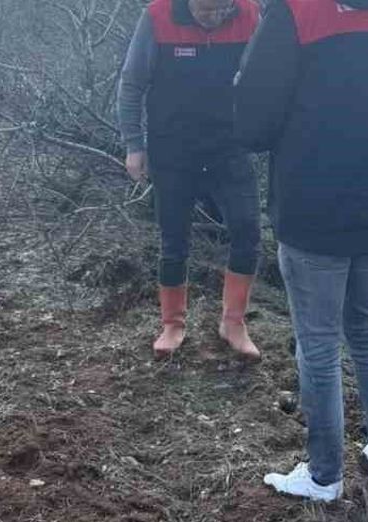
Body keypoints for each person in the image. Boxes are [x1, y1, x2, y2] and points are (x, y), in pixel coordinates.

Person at [234, 0, 368, 501]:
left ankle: (324, 476)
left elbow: (253, 127)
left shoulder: (295, 13)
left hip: (313, 211)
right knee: (367, 329)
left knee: (319, 345)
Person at [117, 0, 264, 360]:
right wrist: (134, 145)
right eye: (204, 11)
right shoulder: (158, 15)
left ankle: (233, 322)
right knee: (174, 239)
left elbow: (266, 77)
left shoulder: (249, 14)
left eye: (220, 10)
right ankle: (173, 324)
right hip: (172, 148)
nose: (212, 18)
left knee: (247, 230)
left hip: (230, 146)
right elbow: (132, 83)